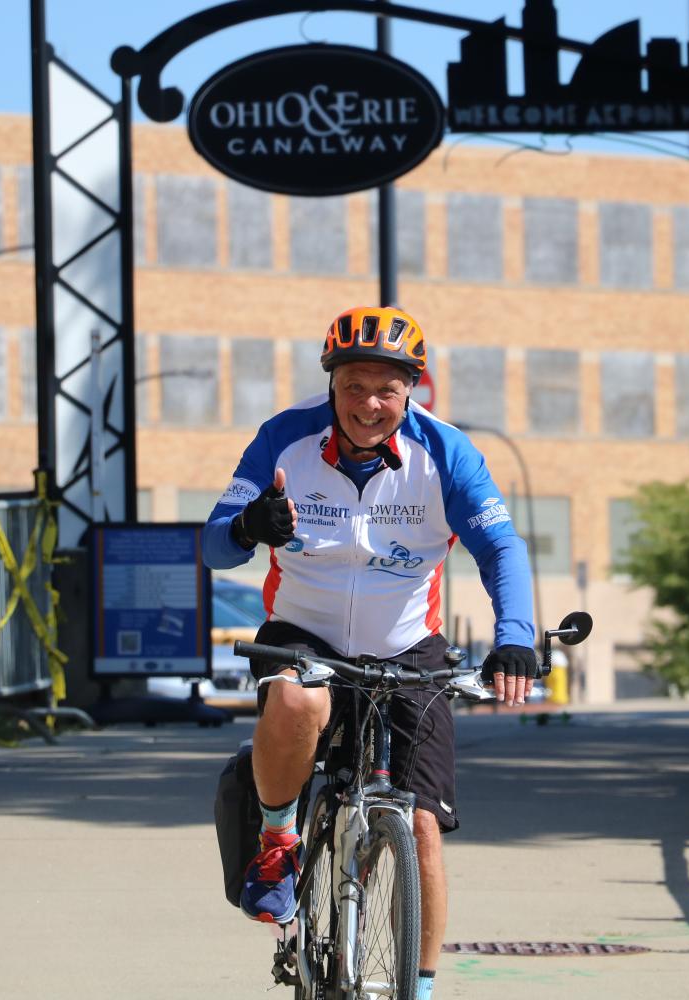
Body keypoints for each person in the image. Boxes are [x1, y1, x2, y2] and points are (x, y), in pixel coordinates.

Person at [202, 305, 537, 1000]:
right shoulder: (285, 439)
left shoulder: (445, 453)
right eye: (354, 386)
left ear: (412, 388)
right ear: (332, 384)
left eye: (386, 389)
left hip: (407, 645)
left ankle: (418, 990)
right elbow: (212, 546)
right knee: (297, 696)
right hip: (304, 629)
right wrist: (247, 525)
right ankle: (277, 842)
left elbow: (500, 547)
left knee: (420, 828)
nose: (368, 405)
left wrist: (516, 639)